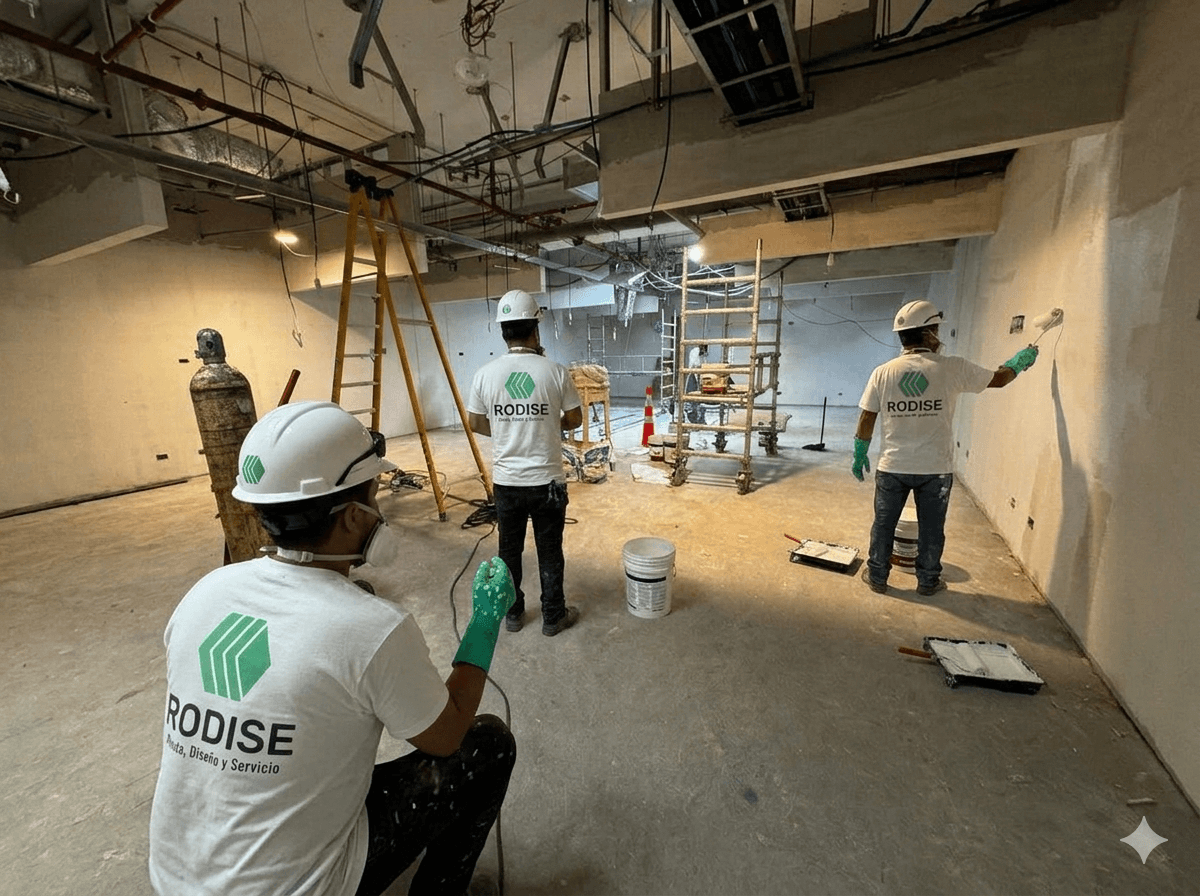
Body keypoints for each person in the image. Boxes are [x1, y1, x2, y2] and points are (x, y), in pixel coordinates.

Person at [148, 400, 517, 896]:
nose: (380, 510)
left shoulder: (204, 594)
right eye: (374, 496)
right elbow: (446, 736)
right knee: (487, 746)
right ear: (349, 517)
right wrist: (485, 622)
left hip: (175, 880)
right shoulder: (370, 630)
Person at [852, 300, 1039, 596]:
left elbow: (867, 415)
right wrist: (1018, 362)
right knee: (931, 529)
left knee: (884, 525)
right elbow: (999, 380)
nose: (939, 335)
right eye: (936, 329)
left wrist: (860, 451)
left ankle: (877, 576)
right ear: (928, 333)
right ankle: (927, 581)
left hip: (893, 466)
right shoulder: (953, 368)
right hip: (935, 469)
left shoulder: (883, 372)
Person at [467, 289, 584, 636]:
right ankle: (552, 616)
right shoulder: (554, 371)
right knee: (550, 551)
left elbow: (474, 422)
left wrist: (507, 429)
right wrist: (549, 425)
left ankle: (514, 614)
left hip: (507, 482)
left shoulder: (485, 374)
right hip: (547, 481)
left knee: (509, 552)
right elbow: (575, 417)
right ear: (535, 328)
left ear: (503, 331)